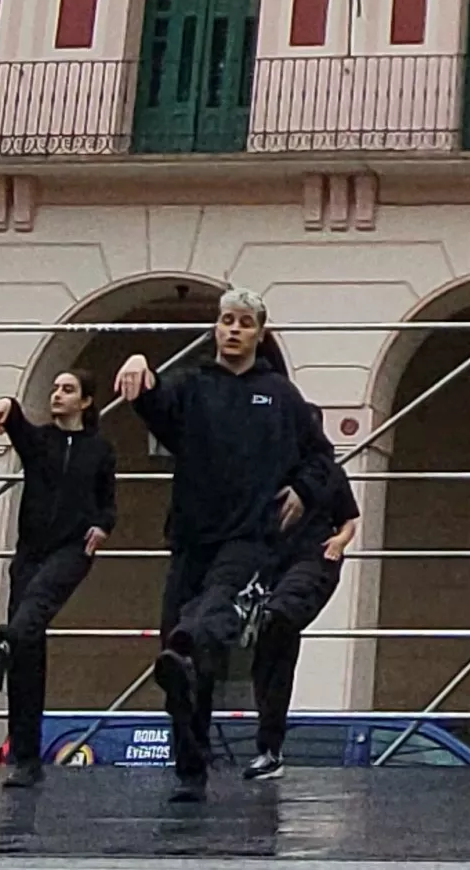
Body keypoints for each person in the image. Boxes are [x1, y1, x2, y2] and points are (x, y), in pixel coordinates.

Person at [113, 287, 334, 804]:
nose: (234, 330)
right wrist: (140, 367)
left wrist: (302, 490)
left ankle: (186, 648)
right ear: (216, 327)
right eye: (227, 320)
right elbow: (157, 408)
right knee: (182, 659)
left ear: (260, 332)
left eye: (245, 323)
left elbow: (321, 457)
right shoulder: (192, 384)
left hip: (250, 535)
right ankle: (190, 767)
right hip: (191, 535)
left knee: (207, 618)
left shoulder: (280, 394)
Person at [0, 370, 116, 790]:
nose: (57, 395)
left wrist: (103, 526)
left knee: (31, 612)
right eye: (55, 389)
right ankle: (25, 758)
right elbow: (18, 425)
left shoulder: (100, 449)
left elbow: (108, 503)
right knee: (28, 653)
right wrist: (7, 406)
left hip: (72, 550)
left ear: (86, 401)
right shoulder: (41, 442)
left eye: (68, 390)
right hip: (30, 553)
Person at [242, 423, 357, 782]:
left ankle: (270, 748)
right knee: (272, 656)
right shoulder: (269, 469)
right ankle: (269, 748)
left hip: (313, 559)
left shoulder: (329, 473)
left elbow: (349, 519)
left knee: (281, 613)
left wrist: (339, 542)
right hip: (273, 566)